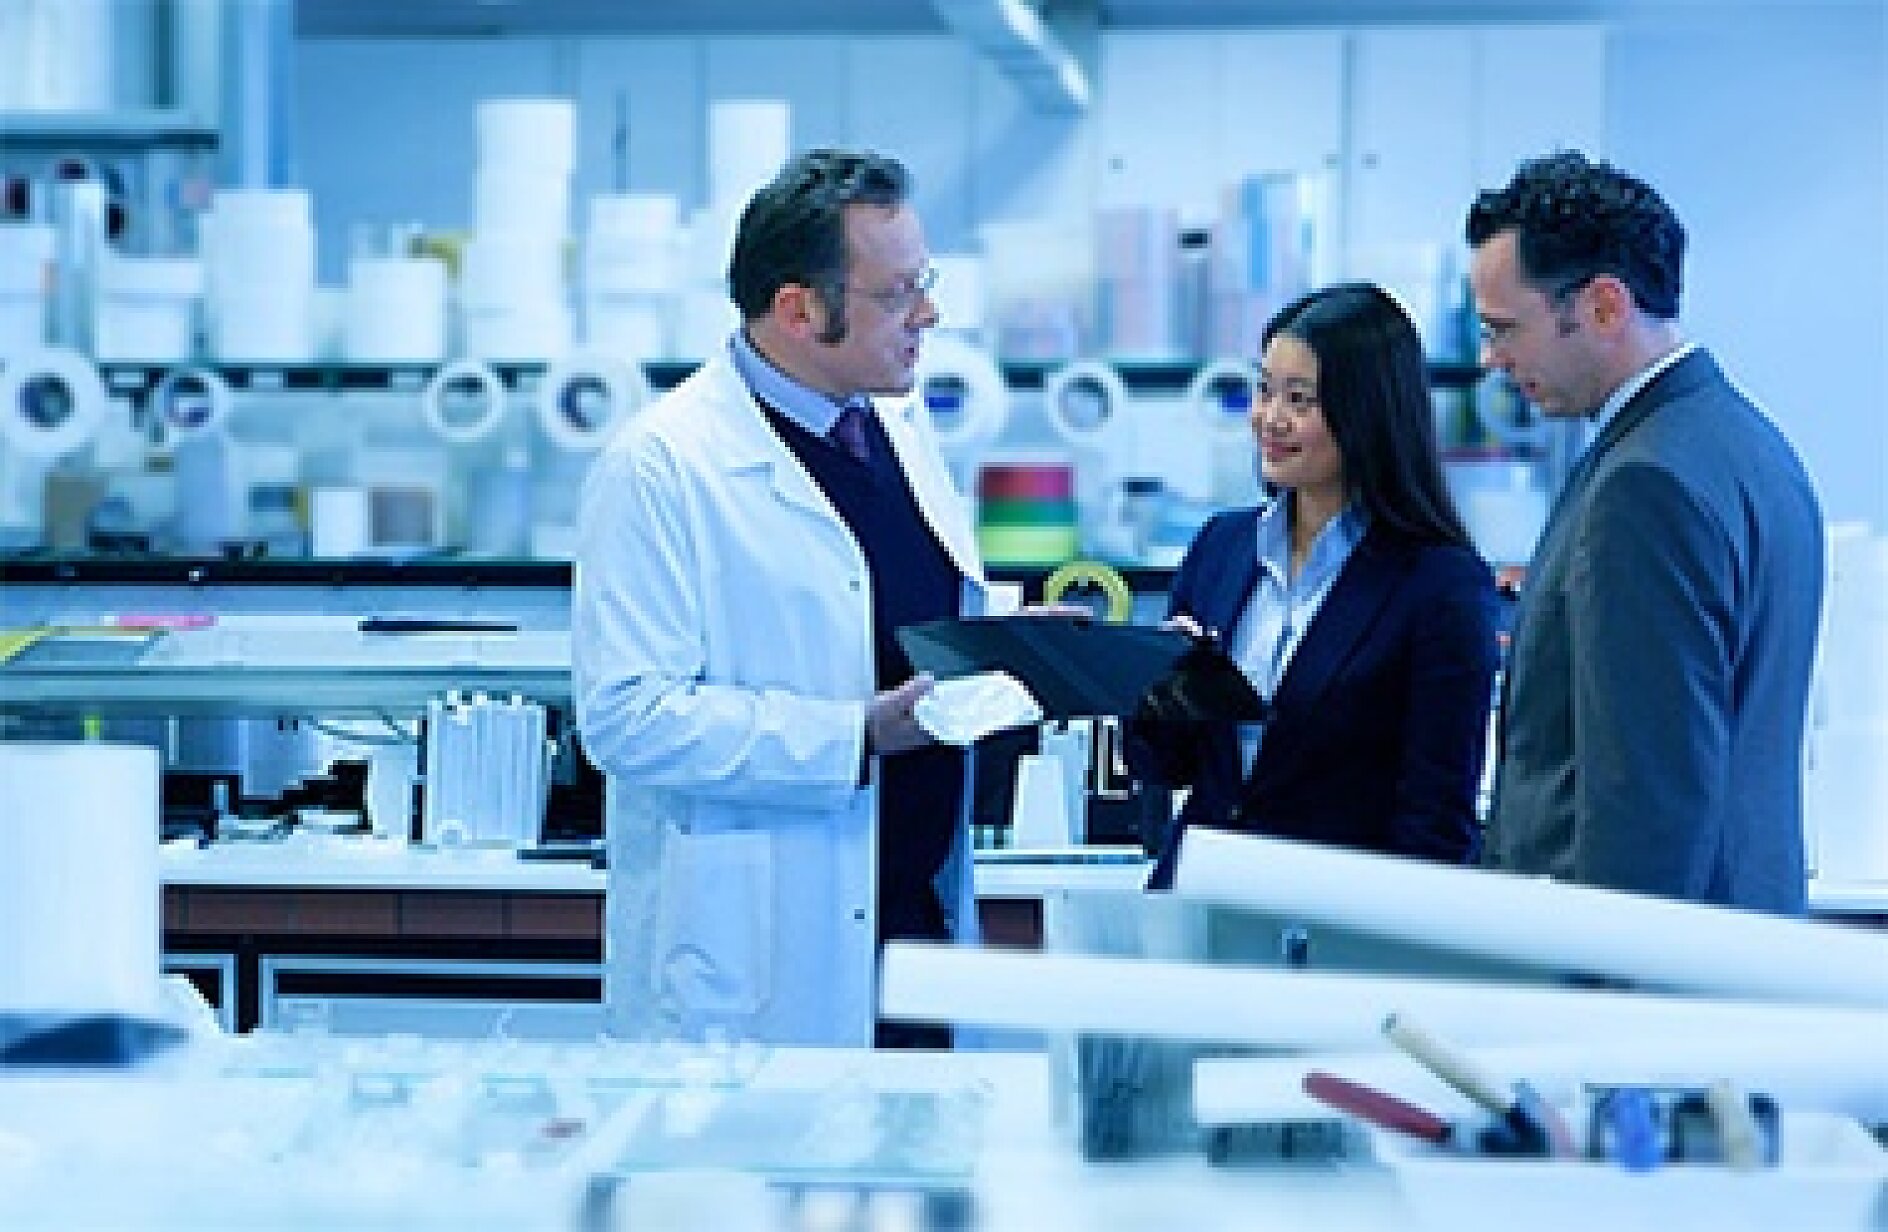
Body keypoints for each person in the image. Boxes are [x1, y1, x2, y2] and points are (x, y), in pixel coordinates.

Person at [572, 148, 991, 1048]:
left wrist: (1004, 649)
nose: (931, 313)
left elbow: (884, 627)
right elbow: (626, 718)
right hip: (770, 962)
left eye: (928, 281)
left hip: (913, 930)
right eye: (899, 293)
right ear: (800, 310)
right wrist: (857, 734)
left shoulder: (896, 432)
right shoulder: (663, 467)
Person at [1468, 150, 1824, 913]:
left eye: (1506, 329)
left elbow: (1647, 801)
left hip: (1637, 969)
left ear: (1602, 306)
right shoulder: (1751, 445)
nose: (1492, 359)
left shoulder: (1643, 483)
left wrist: (1608, 1002)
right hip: (1735, 939)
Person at [1131, 282, 1501, 890]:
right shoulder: (1222, 549)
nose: (1270, 419)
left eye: (1300, 399)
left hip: (1338, 921)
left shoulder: (1439, 584)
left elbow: (1436, 814)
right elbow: (1165, 767)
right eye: (1264, 390)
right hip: (1199, 900)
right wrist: (1159, 688)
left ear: (1368, 413)